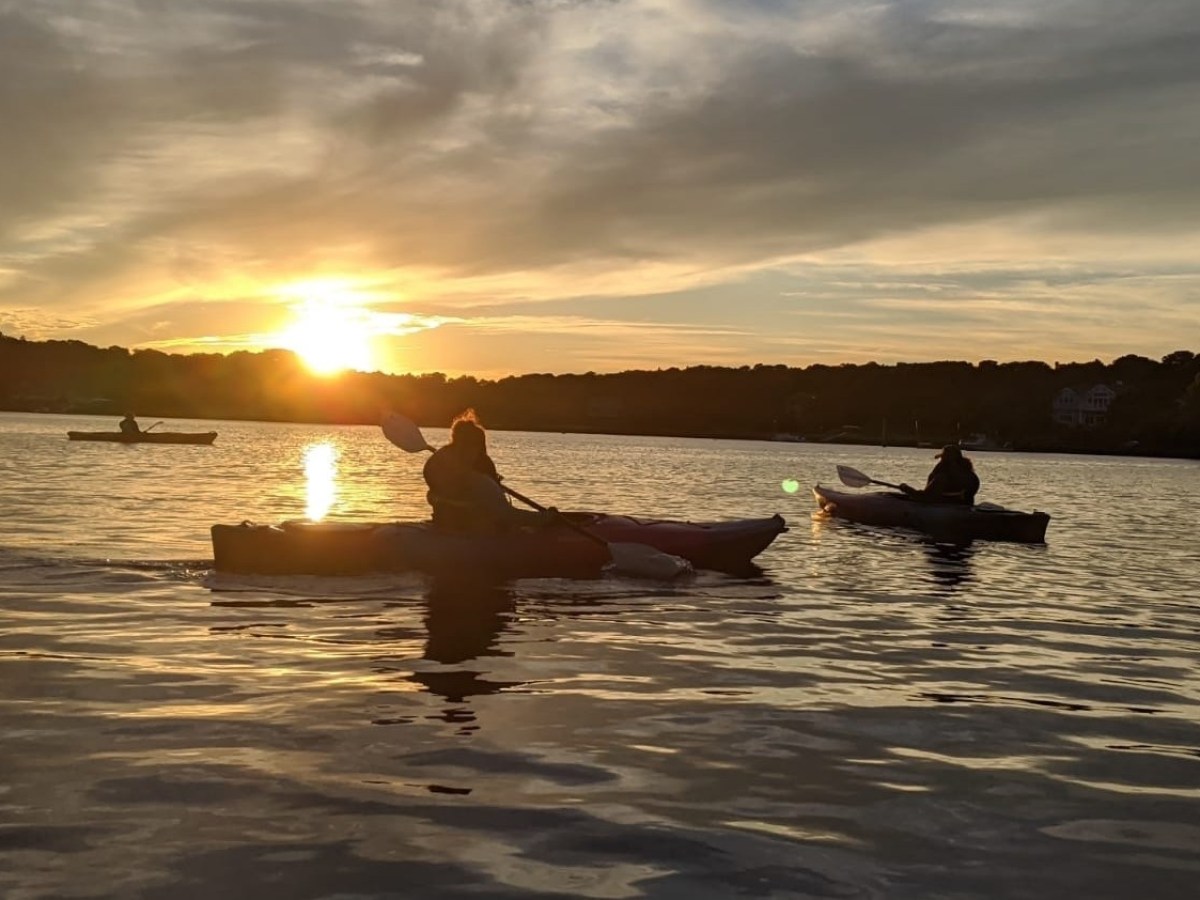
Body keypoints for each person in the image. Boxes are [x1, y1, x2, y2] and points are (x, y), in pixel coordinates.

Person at [422, 410, 549, 532]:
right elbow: (508, 516)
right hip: (473, 529)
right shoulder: (480, 481)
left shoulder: (438, 462)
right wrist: (547, 518)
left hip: (444, 522)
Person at [900, 444, 980, 505]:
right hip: (965, 506)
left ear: (945, 460)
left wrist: (906, 488)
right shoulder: (972, 476)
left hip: (948, 508)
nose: (940, 461)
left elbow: (925, 497)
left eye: (942, 458)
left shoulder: (942, 477)